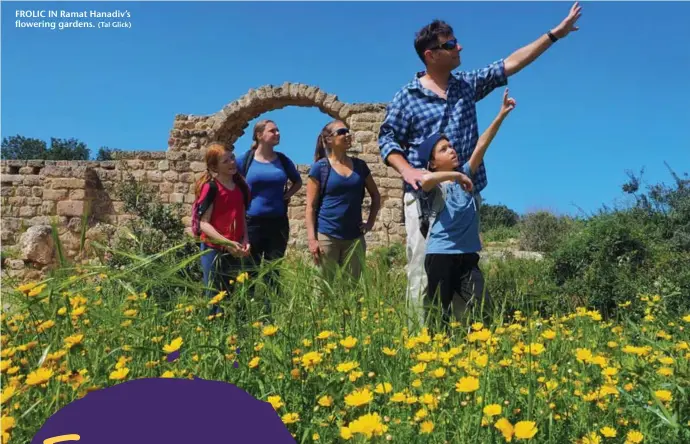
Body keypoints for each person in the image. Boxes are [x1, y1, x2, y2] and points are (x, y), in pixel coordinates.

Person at [377, 3, 582, 327]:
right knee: (423, 269)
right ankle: (420, 342)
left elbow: (511, 63)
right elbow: (387, 140)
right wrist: (409, 171)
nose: (459, 47)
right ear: (430, 55)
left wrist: (556, 34)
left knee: (463, 267)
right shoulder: (407, 96)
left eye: (455, 41)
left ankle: (460, 344)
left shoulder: (466, 85)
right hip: (427, 199)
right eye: (449, 44)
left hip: (466, 194)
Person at [417, 89, 516, 331]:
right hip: (440, 257)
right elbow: (424, 182)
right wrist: (455, 174)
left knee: (486, 311)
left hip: (468, 257)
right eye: (443, 149)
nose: (451, 150)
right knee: (438, 318)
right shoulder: (434, 183)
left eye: (450, 146)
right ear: (432, 162)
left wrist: (501, 114)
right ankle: (434, 355)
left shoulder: (467, 178)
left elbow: (482, 144)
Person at [236, 120, 302, 315]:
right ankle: (245, 314)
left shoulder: (282, 160)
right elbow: (233, 184)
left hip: (278, 223)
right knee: (249, 271)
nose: (278, 133)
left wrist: (287, 196)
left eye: (278, 130)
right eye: (273, 130)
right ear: (259, 135)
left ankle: (270, 314)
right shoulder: (244, 160)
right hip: (251, 223)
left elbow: (297, 182)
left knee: (273, 270)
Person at [305, 120, 381, 283]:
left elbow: (376, 196)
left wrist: (369, 223)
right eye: (341, 132)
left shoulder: (360, 166)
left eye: (347, 131)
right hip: (327, 235)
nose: (347, 135)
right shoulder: (320, 167)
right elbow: (310, 206)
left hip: (354, 238)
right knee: (323, 290)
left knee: (351, 290)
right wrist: (312, 239)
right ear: (329, 140)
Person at [194, 142, 251, 318]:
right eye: (225, 161)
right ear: (214, 166)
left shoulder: (240, 186)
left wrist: (245, 239)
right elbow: (204, 223)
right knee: (213, 295)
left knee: (233, 295)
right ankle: (212, 331)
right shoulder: (210, 188)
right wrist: (226, 242)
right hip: (214, 248)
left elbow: (241, 215)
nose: (232, 163)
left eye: (232, 158)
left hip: (236, 249)